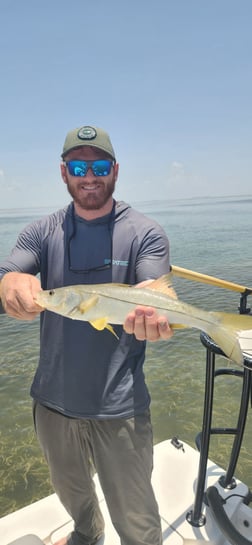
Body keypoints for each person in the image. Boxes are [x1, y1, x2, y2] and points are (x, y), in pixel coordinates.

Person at [0, 125, 173, 545]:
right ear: (64, 173)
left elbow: (154, 287)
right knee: (73, 497)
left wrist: (157, 311)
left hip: (120, 407)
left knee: (136, 517)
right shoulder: (40, 232)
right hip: (52, 402)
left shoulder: (145, 233)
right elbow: (13, 272)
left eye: (98, 166)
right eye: (78, 166)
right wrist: (9, 286)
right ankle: (85, 535)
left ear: (115, 169)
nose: (89, 175)